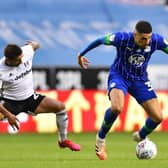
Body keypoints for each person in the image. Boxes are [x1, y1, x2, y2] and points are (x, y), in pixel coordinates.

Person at [77, 20, 168, 160]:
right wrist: (81, 54)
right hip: (119, 77)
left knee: (157, 117)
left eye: (149, 37)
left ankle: (140, 136)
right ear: (135, 35)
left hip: (140, 80)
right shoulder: (122, 38)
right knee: (117, 107)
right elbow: (100, 40)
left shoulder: (156, 40)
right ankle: (100, 139)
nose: (147, 41)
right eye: (144, 38)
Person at [0, 41, 80, 151]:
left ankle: (63, 140)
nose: (21, 60)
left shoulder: (26, 53)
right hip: (9, 103)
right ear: (9, 60)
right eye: (18, 59)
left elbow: (35, 45)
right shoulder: (1, 71)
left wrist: (34, 43)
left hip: (30, 99)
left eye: (21, 57)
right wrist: (8, 115)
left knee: (60, 107)